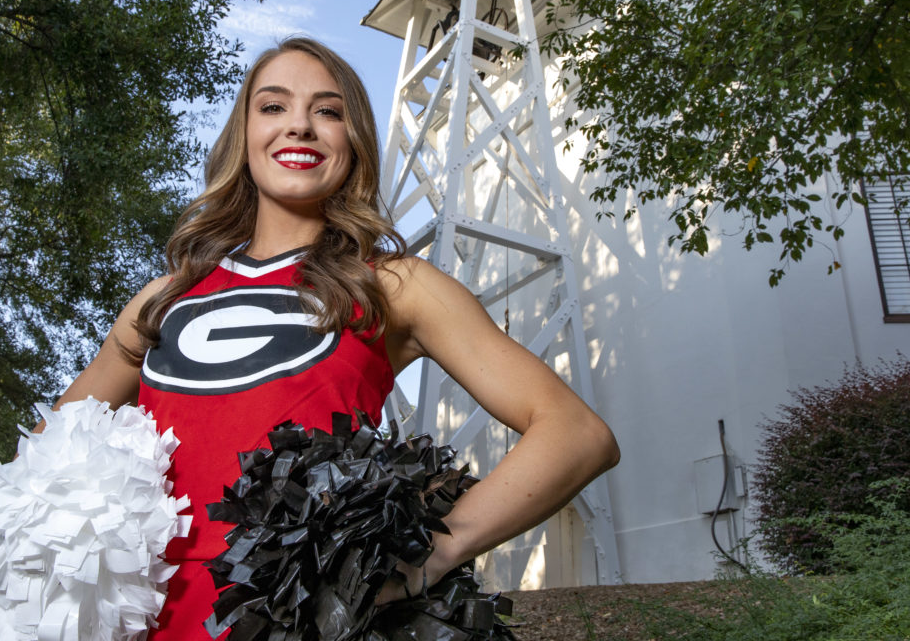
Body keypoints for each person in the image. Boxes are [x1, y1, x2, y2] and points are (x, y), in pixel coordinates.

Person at [44, 37, 619, 640]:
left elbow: (577, 435)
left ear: (354, 142)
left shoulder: (393, 285)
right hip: (148, 622)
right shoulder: (161, 300)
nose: (299, 126)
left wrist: (432, 557)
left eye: (328, 111)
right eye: (272, 107)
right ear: (243, 136)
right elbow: (48, 458)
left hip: (301, 623)